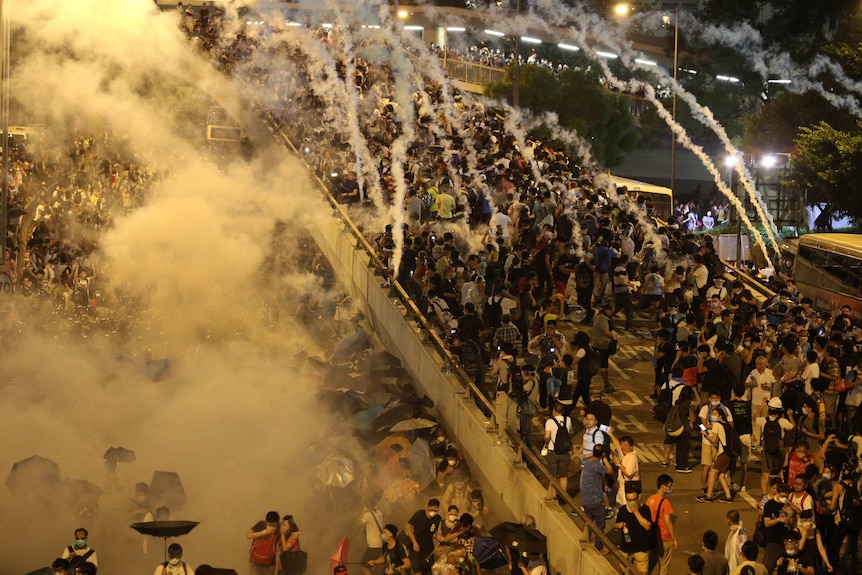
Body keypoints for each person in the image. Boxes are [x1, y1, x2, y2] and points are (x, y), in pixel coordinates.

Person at [580, 444, 613, 554]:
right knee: (600, 525)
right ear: (602, 453)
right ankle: (599, 547)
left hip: (586, 500)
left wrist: (603, 484)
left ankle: (586, 541)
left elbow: (596, 477)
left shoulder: (587, 463)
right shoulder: (597, 465)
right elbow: (610, 471)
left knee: (588, 523)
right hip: (596, 500)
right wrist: (605, 459)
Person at [614, 488, 651, 575]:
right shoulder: (623, 510)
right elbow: (616, 524)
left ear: (638, 498)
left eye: (634, 499)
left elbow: (647, 526)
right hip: (626, 548)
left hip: (641, 548)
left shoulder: (645, 509)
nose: (632, 502)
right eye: (629, 500)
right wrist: (618, 525)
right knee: (623, 571)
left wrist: (636, 512)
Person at [646, 474, 678, 575]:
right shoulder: (665, 503)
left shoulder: (650, 500)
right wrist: (674, 539)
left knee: (650, 562)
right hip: (664, 537)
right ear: (663, 487)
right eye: (669, 486)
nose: (670, 488)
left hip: (652, 537)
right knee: (664, 565)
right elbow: (668, 523)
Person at [543, 401, 573, 502]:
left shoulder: (550, 422)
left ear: (554, 410)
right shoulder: (568, 420)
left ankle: (554, 496)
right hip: (565, 452)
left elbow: (547, 437)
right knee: (563, 476)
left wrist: (546, 444)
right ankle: (564, 497)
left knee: (553, 476)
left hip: (553, 452)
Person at [406, 498, 442, 575]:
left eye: (436, 510)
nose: (434, 512)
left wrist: (438, 536)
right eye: (432, 509)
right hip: (416, 547)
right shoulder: (419, 514)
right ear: (428, 507)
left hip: (428, 548)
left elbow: (434, 532)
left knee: (429, 569)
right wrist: (414, 542)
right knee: (417, 570)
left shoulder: (437, 518)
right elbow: (408, 527)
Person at [763, 483, 793, 573]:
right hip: (772, 540)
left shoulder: (787, 505)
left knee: (781, 566)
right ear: (778, 493)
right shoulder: (770, 504)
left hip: (784, 540)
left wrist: (790, 513)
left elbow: (790, 522)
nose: (785, 498)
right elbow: (767, 523)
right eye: (783, 496)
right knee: (770, 564)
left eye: (786, 496)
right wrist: (778, 519)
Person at [591, 302, 618, 393]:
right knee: (603, 366)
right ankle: (606, 385)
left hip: (597, 344)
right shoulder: (602, 318)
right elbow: (606, 331)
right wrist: (614, 337)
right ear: (608, 309)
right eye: (611, 311)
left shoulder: (599, 316)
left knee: (597, 364)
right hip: (602, 345)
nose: (612, 313)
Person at [247, 511, 280, 575]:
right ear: (266, 522)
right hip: (255, 562)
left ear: (277, 523)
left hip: (269, 563)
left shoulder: (279, 528)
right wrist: (264, 532)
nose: (271, 527)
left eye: (273, 525)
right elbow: (248, 535)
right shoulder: (261, 525)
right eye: (269, 524)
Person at [360, 503, 385, 575]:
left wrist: (363, 512)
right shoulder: (379, 512)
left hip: (373, 546)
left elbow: (358, 523)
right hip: (381, 544)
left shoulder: (368, 515)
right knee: (372, 566)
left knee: (364, 567)